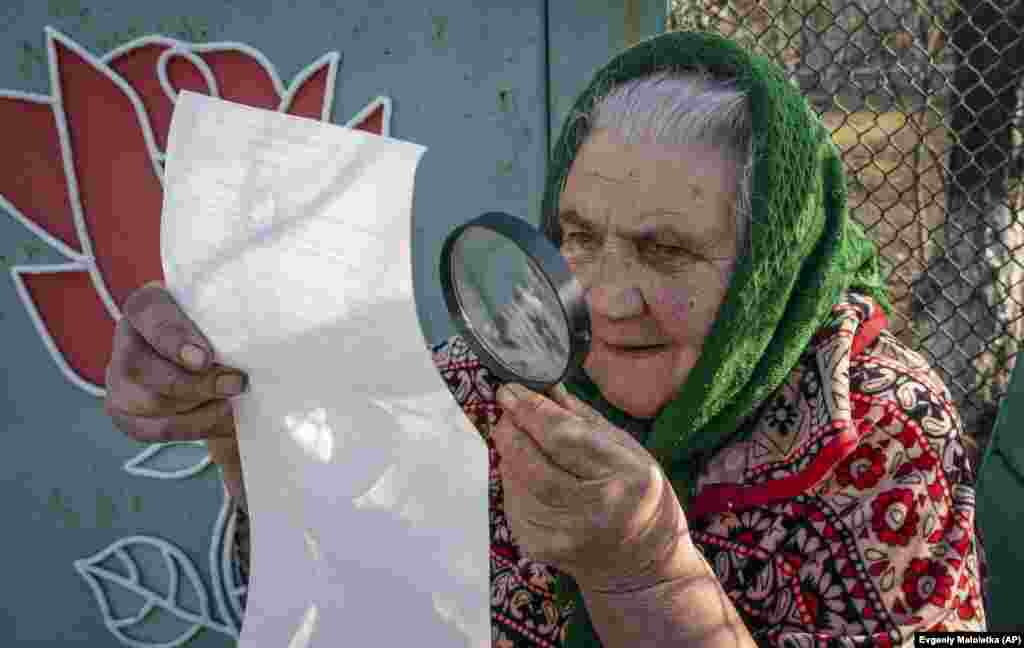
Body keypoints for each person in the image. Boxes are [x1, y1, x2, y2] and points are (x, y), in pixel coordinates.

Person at [104, 31, 987, 647]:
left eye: (666, 248)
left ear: (769, 269)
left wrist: (645, 578)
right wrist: (238, 431)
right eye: (578, 235)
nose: (601, 298)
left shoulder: (881, 421)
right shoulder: (497, 374)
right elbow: (339, 586)